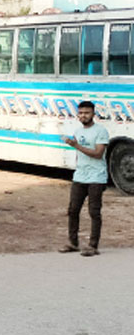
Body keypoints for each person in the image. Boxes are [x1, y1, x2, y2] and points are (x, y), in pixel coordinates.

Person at [59, 100, 109, 257]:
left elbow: (98, 154)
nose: (83, 116)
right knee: (73, 210)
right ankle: (73, 243)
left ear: (94, 114)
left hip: (96, 177)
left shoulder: (101, 131)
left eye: (87, 113)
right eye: (80, 113)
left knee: (94, 212)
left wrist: (76, 145)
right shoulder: (78, 131)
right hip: (80, 176)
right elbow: (78, 156)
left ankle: (93, 245)